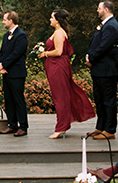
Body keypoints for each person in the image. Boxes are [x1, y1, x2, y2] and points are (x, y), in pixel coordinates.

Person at [39, 9, 95, 139]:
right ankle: (62, 125)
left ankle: (61, 127)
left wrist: (45, 53)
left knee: (61, 97)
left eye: (52, 17)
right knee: (59, 96)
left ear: (57, 20)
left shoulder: (59, 33)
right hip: (54, 66)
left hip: (58, 66)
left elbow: (58, 51)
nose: (50, 19)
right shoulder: (57, 32)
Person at [85, 0, 118, 139]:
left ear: (106, 10)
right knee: (99, 99)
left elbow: (104, 46)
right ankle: (100, 127)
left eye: (99, 8)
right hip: (99, 69)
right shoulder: (105, 25)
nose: (97, 10)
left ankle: (110, 129)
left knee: (108, 99)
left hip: (107, 69)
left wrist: (91, 58)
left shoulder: (111, 26)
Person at [0, 11, 29, 136]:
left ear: (11, 20)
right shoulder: (6, 36)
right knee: (8, 99)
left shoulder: (21, 35)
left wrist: (4, 65)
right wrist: (0, 65)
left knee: (18, 99)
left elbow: (16, 53)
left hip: (17, 73)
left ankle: (23, 126)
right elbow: (2, 52)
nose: (3, 22)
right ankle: (12, 124)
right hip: (6, 73)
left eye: (5, 19)